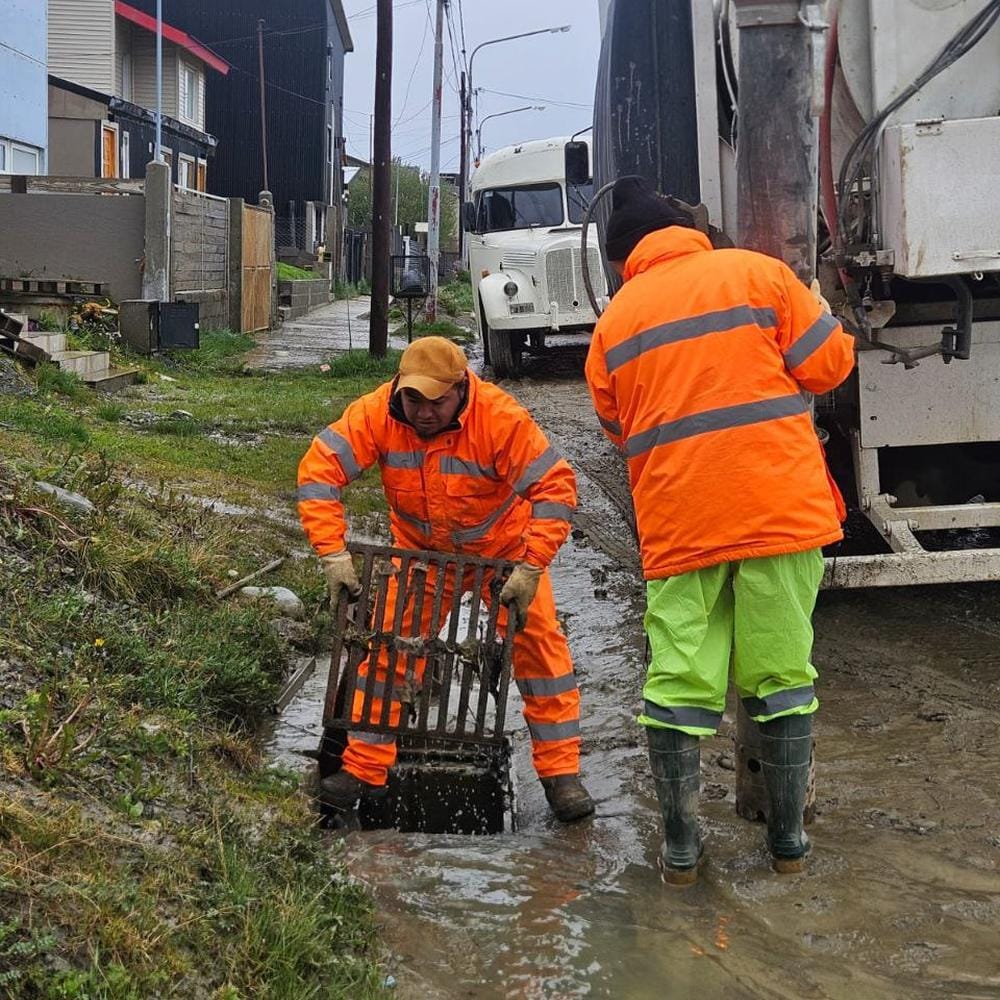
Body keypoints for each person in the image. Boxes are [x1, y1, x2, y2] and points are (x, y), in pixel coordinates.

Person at [584, 176, 856, 883]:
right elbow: (829, 367)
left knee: (679, 679)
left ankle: (680, 851)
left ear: (624, 259)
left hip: (682, 525)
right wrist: (822, 312)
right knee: (782, 675)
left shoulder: (614, 324)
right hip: (780, 514)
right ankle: (789, 846)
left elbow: (617, 429)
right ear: (689, 232)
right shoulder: (761, 276)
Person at [298, 336, 594, 824]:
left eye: (437, 401)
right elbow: (318, 471)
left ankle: (561, 775)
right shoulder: (376, 413)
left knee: (540, 653)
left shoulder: (500, 418)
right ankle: (363, 770)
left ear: (463, 390)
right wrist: (332, 554)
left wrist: (532, 565)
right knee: (390, 650)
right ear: (399, 389)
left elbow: (555, 486)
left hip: (503, 555)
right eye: (414, 399)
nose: (424, 412)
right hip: (422, 554)